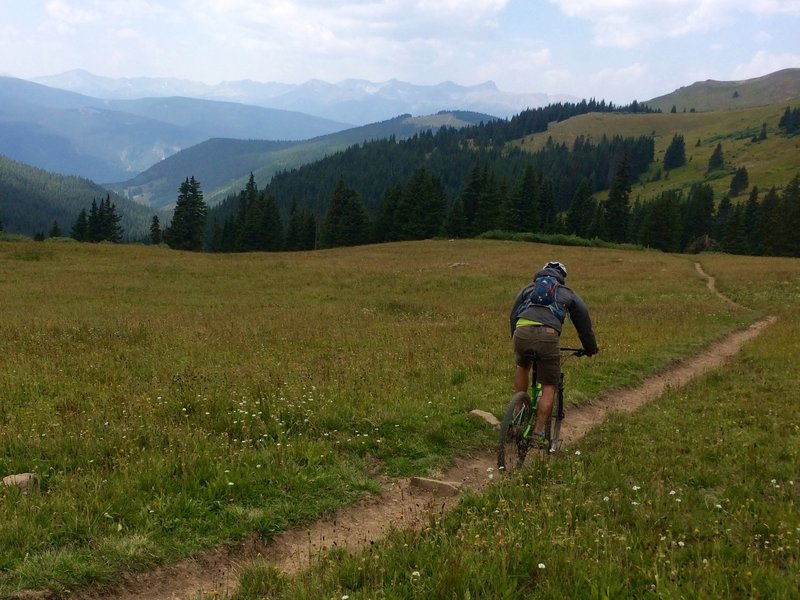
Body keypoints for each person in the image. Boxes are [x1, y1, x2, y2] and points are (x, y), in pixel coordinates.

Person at [509, 260, 599, 448]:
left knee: (522, 365)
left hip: (521, 333)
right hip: (548, 337)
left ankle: (517, 413)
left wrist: (515, 338)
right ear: (562, 277)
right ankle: (539, 432)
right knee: (549, 384)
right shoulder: (567, 293)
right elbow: (583, 323)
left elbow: (513, 315)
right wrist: (590, 347)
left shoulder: (528, 289)